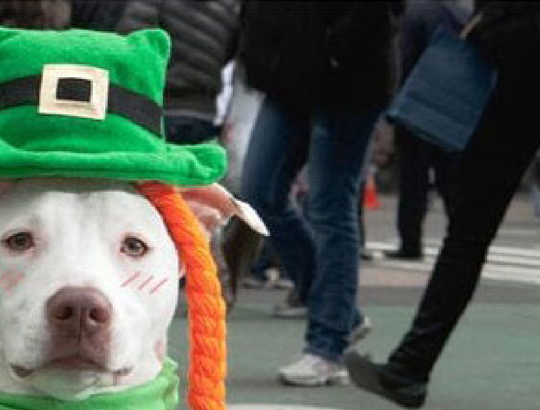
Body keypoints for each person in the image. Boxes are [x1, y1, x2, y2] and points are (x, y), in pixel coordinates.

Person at [347, 1, 540, 409]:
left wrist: (487, 24)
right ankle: (410, 365)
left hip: (515, 70)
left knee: (468, 231)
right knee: (468, 232)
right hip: (517, 64)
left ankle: (411, 365)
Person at [238, 1, 400, 386]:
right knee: (259, 193)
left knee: (329, 204)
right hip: (287, 71)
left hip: (345, 73)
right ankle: (341, 314)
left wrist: (335, 45)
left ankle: (327, 345)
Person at [385, 0, 467, 261]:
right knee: (451, 181)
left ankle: (410, 242)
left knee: (412, 182)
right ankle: (462, 239)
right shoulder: (458, 12)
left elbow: (405, 59)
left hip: (416, 104)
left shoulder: (413, 14)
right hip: (451, 103)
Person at [117, 0, 239, 145]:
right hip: (203, 116)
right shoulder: (228, 7)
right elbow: (230, 51)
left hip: (159, 109)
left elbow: (134, 43)